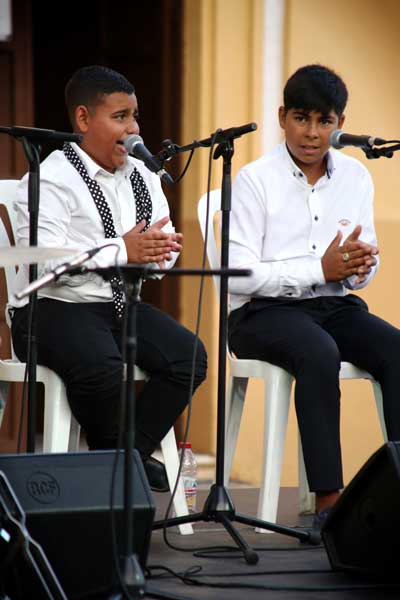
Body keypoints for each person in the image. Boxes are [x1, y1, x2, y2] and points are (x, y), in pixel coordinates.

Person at [9, 65, 207, 491]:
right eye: (120, 116)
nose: (133, 127)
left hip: (117, 305)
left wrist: (158, 254)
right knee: (102, 366)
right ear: (83, 119)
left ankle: (124, 458)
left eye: (135, 116)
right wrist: (123, 249)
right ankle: (120, 468)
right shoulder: (50, 178)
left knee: (189, 356)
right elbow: (41, 264)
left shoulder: (144, 174)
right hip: (52, 308)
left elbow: (161, 246)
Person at [228, 64, 400, 529]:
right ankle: (329, 503)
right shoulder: (254, 179)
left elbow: (360, 266)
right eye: (301, 118)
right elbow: (237, 277)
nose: (311, 133)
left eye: (324, 121)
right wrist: (316, 270)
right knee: (319, 353)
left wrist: (362, 268)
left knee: (395, 348)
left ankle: (398, 491)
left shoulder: (356, 176)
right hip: (262, 313)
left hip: (332, 304)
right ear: (282, 116)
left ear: (340, 124)